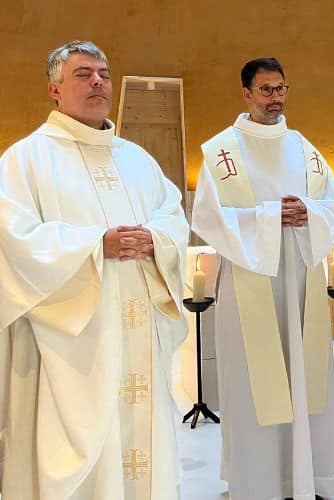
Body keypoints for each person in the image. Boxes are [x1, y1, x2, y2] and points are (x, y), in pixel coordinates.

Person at [0, 41, 189, 500]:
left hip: (139, 332)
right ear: (55, 89)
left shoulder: (136, 158)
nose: (98, 82)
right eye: (83, 74)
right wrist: (93, 246)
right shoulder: (25, 160)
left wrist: (156, 239)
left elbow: (173, 215)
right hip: (70, 344)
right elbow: (12, 238)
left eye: (103, 73)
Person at [191, 57, 334, 499]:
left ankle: (310, 476)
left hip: (300, 279)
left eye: (281, 88)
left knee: (305, 377)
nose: (275, 98)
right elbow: (207, 217)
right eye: (266, 90)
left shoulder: (304, 148)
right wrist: (271, 216)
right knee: (253, 386)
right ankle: (260, 482)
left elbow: (333, 206)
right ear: (246, 94)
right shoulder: (221, 152)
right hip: (249, 283)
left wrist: (308, 213)